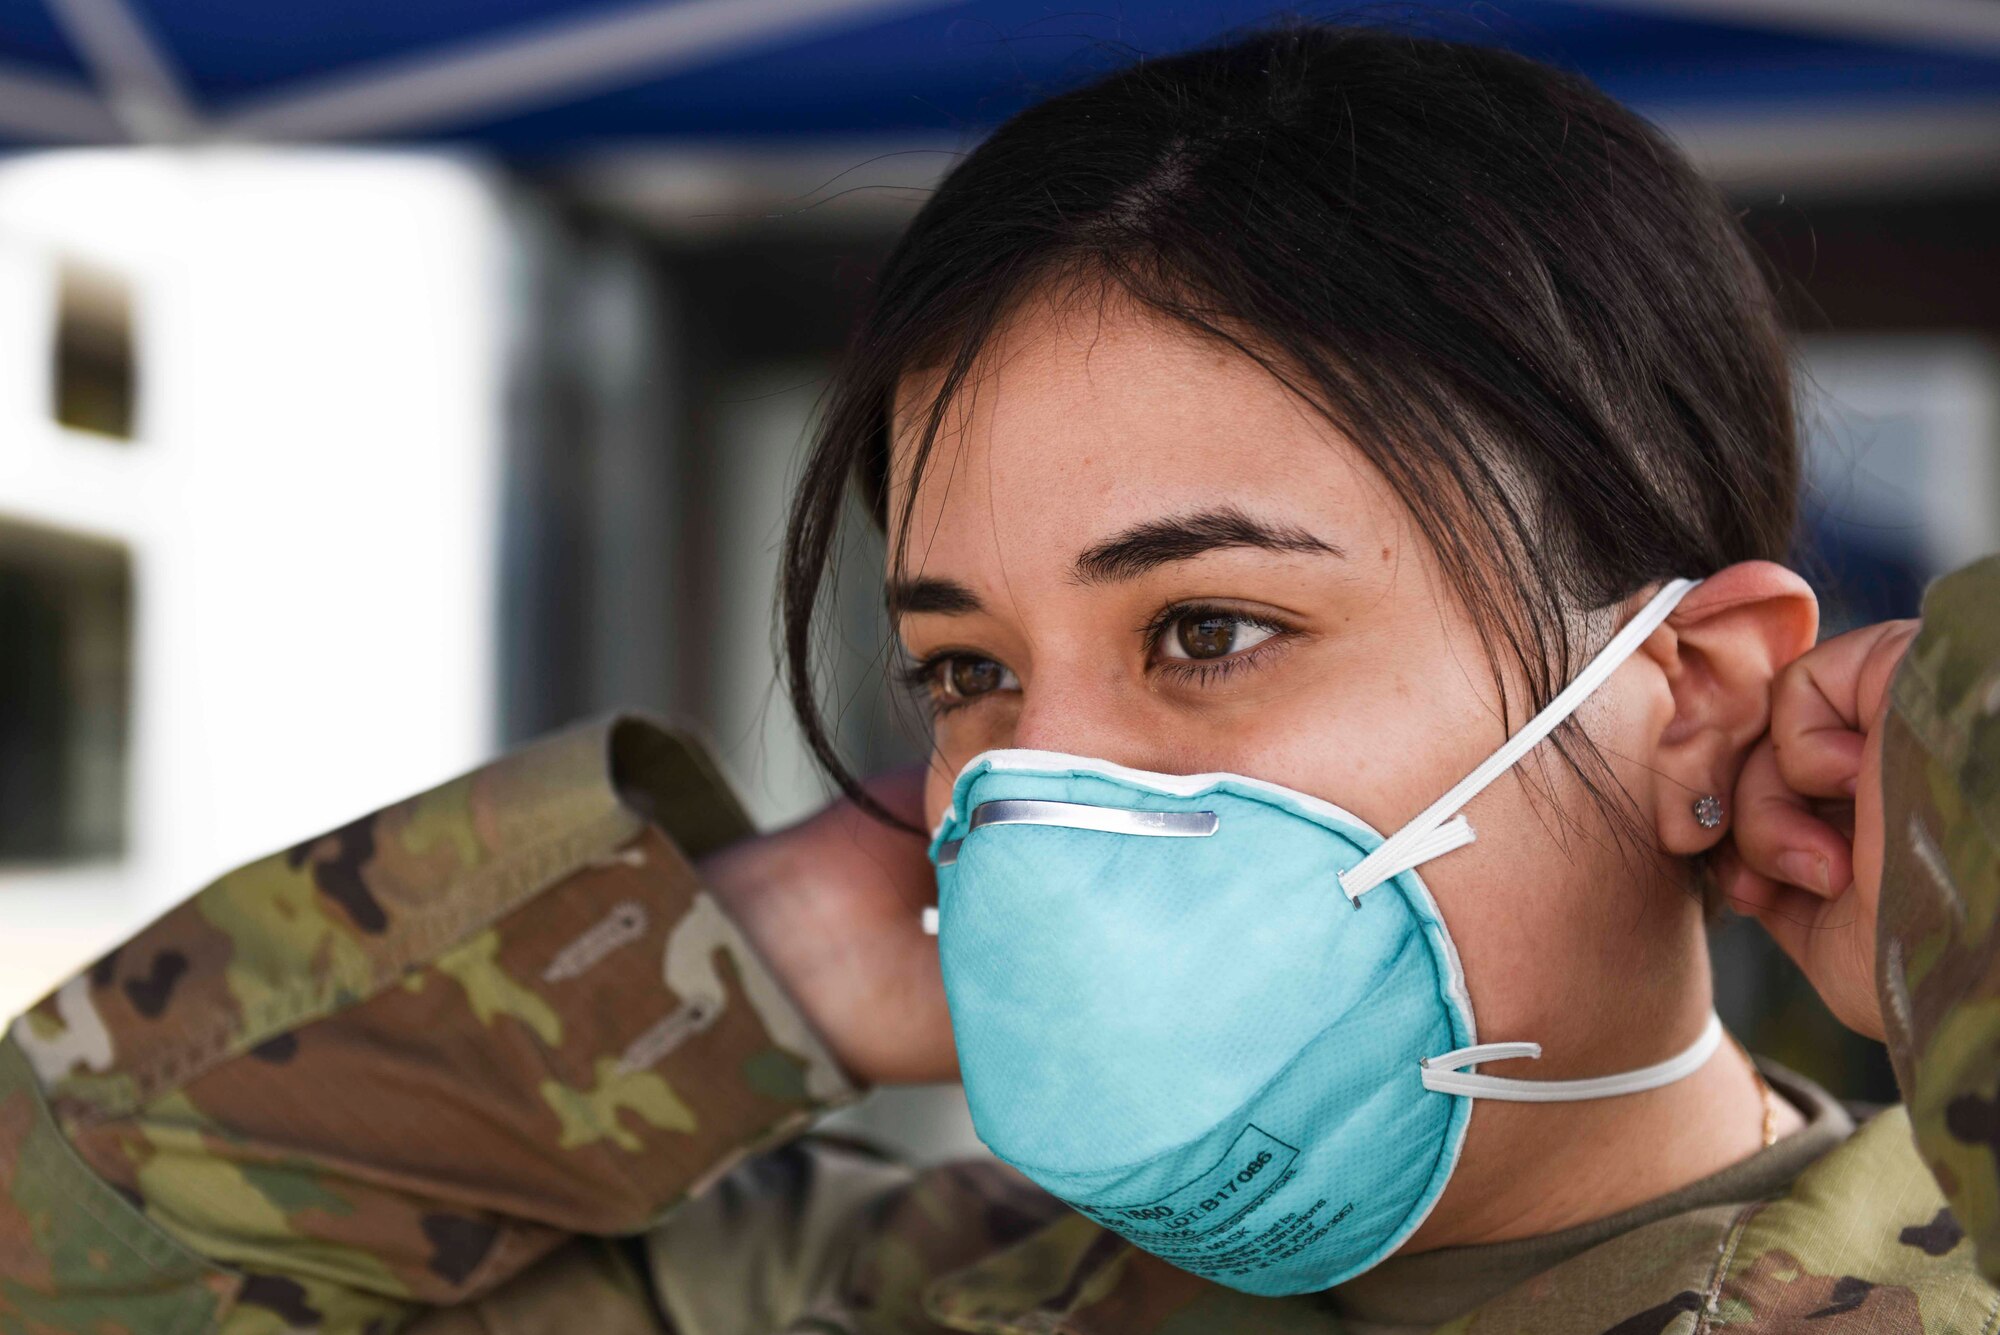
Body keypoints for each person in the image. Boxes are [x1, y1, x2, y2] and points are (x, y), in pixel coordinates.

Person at [2, 24, 1996, 1335]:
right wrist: (721, 963)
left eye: (1206, 628)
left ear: (1692, 690)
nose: (1035, 786)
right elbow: (71, 1251)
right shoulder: (866, 1292)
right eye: (959, 664)